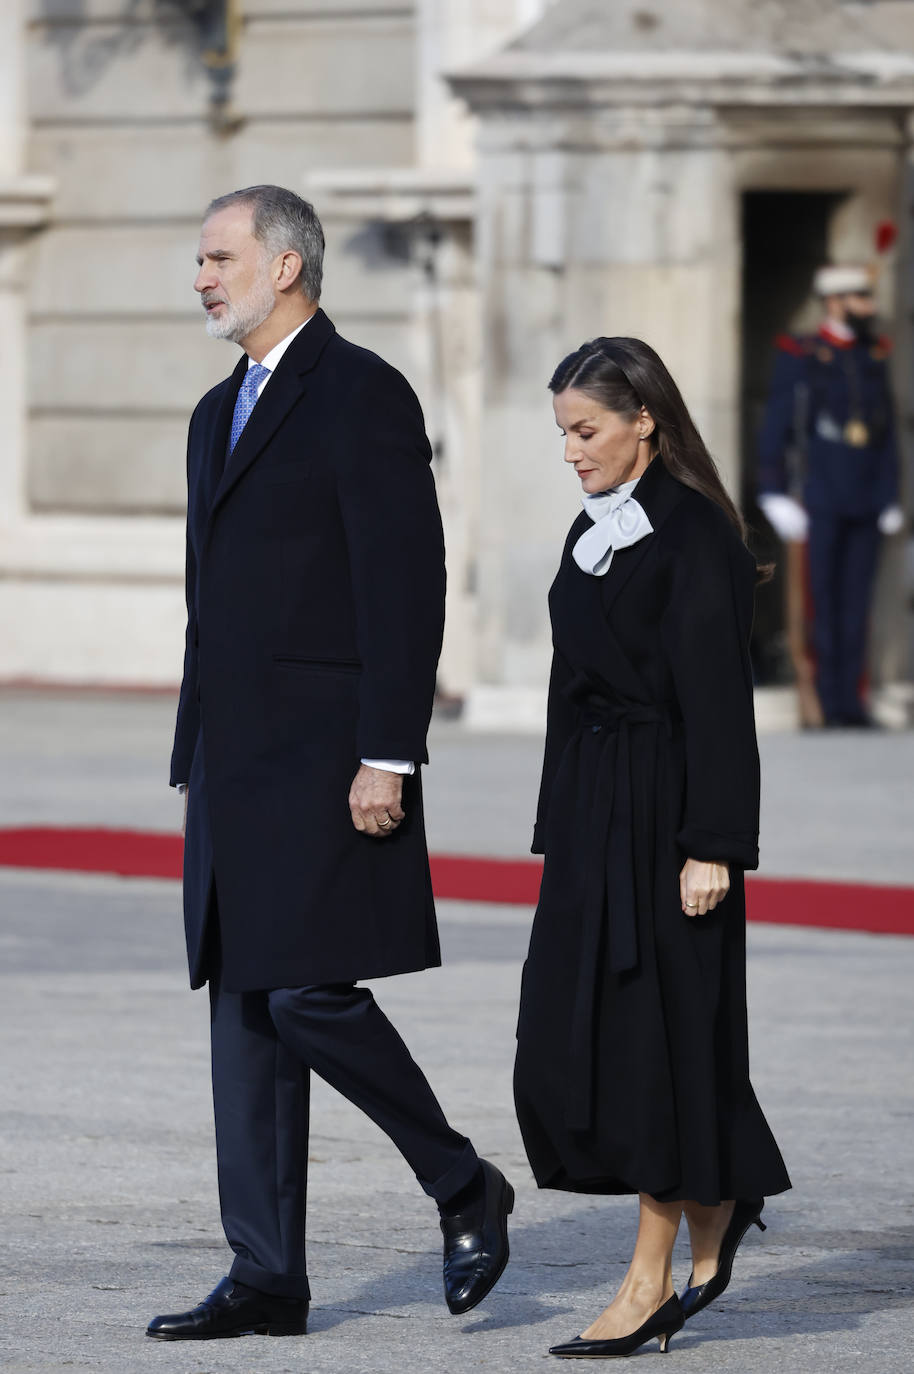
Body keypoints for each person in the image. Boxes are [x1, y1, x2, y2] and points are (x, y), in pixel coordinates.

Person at [146, 185, 513, 1342]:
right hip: (231, 759)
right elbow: (217, 603)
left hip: (326, 757)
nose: (201, 277)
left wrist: (387, 756)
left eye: (218, 258)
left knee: (310, 990)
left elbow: (405, 586)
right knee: (245, 1006)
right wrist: (193, 745)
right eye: (199, 261)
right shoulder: (215, 412)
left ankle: (460, 1182)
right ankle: (263, 1274)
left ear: (287, 266)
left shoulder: (361, 392)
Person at [514, 337, 791, 1360]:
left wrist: (712, 843)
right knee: (563, 1037)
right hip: (594, 815)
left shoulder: (696, 538)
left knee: (657, 1049)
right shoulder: (593, 531)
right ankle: (723, 1187)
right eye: (562, 435)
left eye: (585, 431)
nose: (570, 452)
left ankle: (650, 1277)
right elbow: (564, 688)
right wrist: (558, 827)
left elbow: (720, 705)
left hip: (672, 816)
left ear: (646, 422)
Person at [758, 264, 904, 728]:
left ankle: (850, 702)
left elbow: (886, 432)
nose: (870, 308)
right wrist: (772, 491)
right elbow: (778, 423)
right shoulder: (800, 352)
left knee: (856, 602)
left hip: (864, 496)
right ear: (835, 301)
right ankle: (820, 701)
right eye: (861, 298)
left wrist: (891, 495)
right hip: (818, 495)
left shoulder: (874, 353)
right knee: (820, 601)